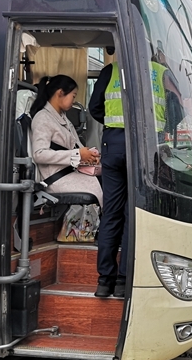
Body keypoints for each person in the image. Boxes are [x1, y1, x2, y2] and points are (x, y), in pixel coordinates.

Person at [88, 49, 129, 298]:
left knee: (112, 211)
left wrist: (114, 125)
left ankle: (104, 281)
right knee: (133, 214)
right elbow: (175, 111)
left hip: (113, 145)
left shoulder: (109, 71)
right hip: (142, 148)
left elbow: (94, 108)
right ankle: (124, 280)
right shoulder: (158, 73)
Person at [30, 75, 103, 207]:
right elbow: (39, 154)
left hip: (70, 173)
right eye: (73, 96)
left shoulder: (63, 118)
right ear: (60, 93)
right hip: (57, 178)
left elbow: (76, 145)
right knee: (103, 188)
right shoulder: (43, 118)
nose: (73, 101)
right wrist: (78, 155)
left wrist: (90, 156)